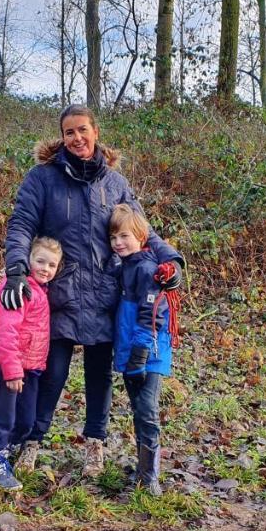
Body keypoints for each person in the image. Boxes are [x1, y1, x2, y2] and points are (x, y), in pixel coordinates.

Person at [2, 104, 184, 477]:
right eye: (69, 132)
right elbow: (20, 224)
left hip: (106, 294)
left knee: (99, 377)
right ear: (61, 137)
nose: (77, 138)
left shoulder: (115, 184)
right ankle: (32, 443)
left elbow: (141, 230)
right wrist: (17, 270)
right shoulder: (42, 179)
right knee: (51, 374)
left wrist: (172, 261)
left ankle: (94, 447)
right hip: (60, 295)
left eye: (82, 130)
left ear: (95, 132)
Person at [0, 237, 62, 490]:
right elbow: (8, 333)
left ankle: (6, 447)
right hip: (10, 367)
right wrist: (12, 371)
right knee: (3, 416)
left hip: (31, 368)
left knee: (26, 420)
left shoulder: (41, 290)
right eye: (40, 261)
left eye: (52, 265)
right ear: (27, 260)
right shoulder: (18, 289)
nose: (45, 268)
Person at [108, 204, 175, 495]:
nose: (118, 243)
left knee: (147, 410)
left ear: (140, 236)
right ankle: (142, 470)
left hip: (148, 354)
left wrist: (140, 353)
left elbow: (152, 314)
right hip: (129, 351)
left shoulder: (146, 268)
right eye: (113, 238)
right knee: (138, 410)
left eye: (124, 236)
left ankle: (150, 478)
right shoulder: (126, 266)